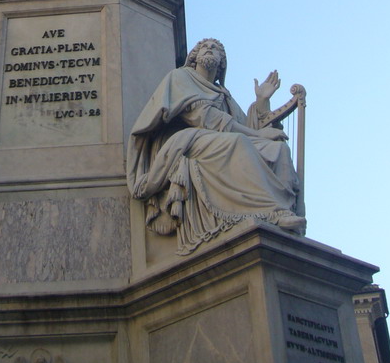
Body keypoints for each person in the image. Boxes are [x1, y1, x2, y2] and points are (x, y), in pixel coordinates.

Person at [127, 39, 305, 254]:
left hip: (218, 139)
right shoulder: (181, 78)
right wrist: (256, 134)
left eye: (216, 49)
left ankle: (284, 212)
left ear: (222, 63)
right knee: (238, 143)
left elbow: (242, 125)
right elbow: (203, 117)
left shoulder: (223, 94)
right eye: (205, 47)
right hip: (189, 140)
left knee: (278, 149)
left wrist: (261, 102)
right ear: (194, 57)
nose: (210, 50)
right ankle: (271, 211)